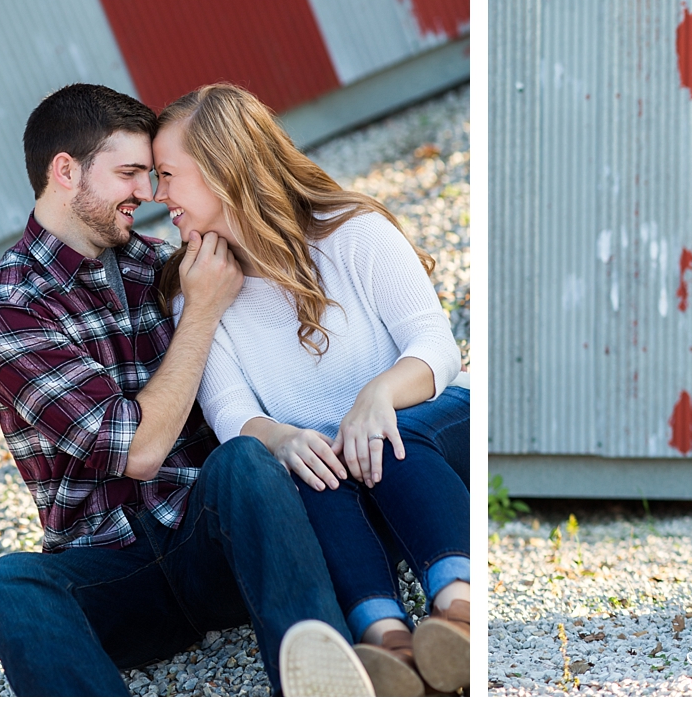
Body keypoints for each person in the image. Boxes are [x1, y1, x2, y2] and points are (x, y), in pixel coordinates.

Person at [0, 84, 372, 696]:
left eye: (152, 174)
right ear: (66, 171)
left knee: (243, 459)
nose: (149, 193)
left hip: (211, 541)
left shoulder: (167, 266)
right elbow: (137, 450)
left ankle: (320, 687)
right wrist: (202, 313)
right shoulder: (5, 312)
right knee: (5, 584)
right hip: (112, 571)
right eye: (129, 173)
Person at [153, 84, 472, 696]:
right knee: (307, 466)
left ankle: (457, 611)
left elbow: (435, 346)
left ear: (222, 171)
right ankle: (392, 647)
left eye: (169, 175)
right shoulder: (195, 286)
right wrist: (283, 437)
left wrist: (378, 395)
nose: (157, 195)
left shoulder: (353, 231)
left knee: (391, 429)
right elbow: (229, 411)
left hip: (429, 433)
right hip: (345, 472)